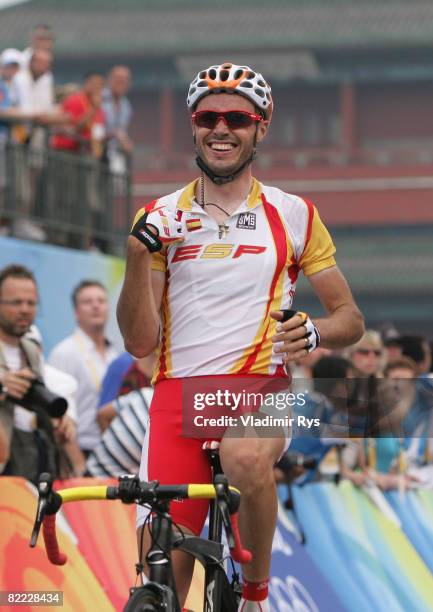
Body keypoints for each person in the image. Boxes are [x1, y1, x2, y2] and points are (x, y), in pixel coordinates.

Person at [117, 62, 364, 611]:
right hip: (178, 404)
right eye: (208, 118)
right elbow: (139, 343)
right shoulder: (158, 217)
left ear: (261, 127)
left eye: (237, 118)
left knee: (246, 458)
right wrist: (137, 255)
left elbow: (350, 318)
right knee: (160, 591)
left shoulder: (294, 214)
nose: (221, 128)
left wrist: (315, 330)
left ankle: (255, 598)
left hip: (260, 394)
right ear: (193, 125)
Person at [0, 264, 74, 482]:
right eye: (16, 302)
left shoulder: (31, 350)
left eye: (31, 303)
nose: (25, 309)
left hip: (33, 456)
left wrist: (60, 420)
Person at [48, 280, 117, 455]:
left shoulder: (115, 353)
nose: (96, 306)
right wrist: (76, 460)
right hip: (83, 451)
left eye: (101, 301)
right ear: (76, 312)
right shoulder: (64, 353)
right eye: (87, 302)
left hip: (116, 453)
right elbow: (58, 413)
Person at [51, 72, 106, 158]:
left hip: (86, 152)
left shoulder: (99, 108)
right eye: (95, 84)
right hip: (65, 151)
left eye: (100, 85)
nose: (97, 88)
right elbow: (76, 127)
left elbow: (98, 130)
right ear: (87, 83)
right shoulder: (75, 100)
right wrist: (93, 110)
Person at [102, 65, 133, 173]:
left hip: (114, 152)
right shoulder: (99, 99)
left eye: (124, 81)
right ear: (110, 80)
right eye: (118, 80)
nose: (121, 83)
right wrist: (114, 134)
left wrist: (126, 142)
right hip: (96, 150)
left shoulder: (126, 106)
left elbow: (122, 131)